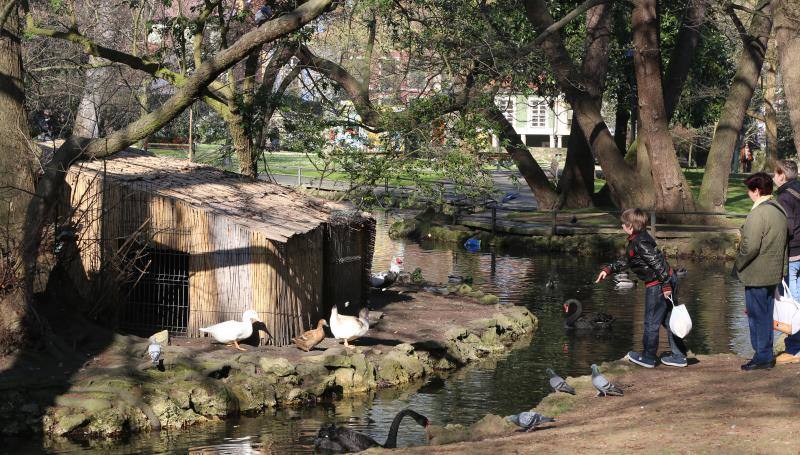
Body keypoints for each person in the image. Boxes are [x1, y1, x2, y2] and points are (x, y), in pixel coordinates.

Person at [596, 208, 687, 368]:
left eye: (623, 223)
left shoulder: (640, 243)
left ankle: (648, 357)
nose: (622, 226)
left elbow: (658, 264)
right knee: (669, 320)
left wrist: (665, 285)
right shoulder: (638, 240)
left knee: (651, 322)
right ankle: (679, 356)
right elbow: (628, 261)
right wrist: (608, 269)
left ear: (631, 226)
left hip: (659, 283)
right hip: (665, 280)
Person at [734, 172, 788, 370]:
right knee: (765, 314)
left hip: (757, 273)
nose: (748, 193)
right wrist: (782, 270)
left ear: (757, 191)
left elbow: (750, 246)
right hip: (772, 272)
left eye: (749, 189)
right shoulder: (779, 209)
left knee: (757, 315)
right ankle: (764, 354)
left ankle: (762, 356)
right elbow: (785, 245)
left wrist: (738, 262)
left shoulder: (759, 213)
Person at [772, 160, 800, 364]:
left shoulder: (784, 197)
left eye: (775, 173)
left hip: (793, 254)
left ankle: (795, 349)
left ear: (782, 175)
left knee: (793, 302)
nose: (773, 177)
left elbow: (787, 228)